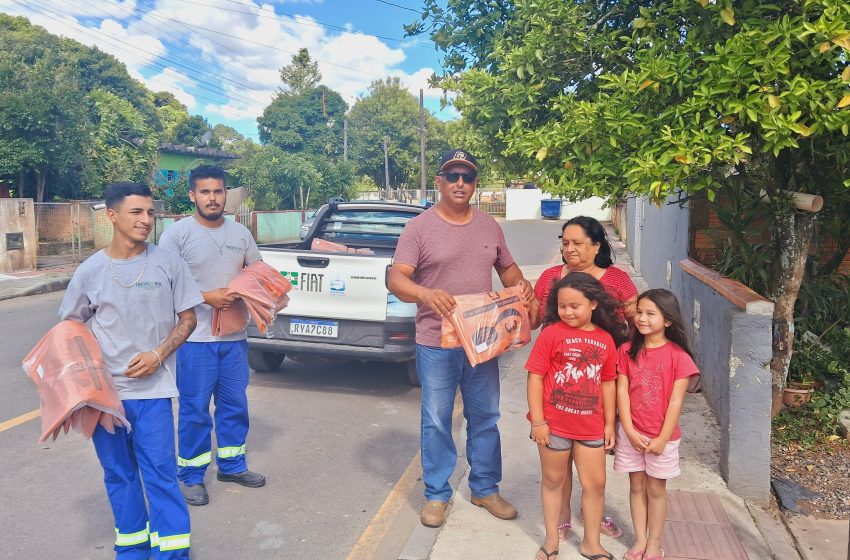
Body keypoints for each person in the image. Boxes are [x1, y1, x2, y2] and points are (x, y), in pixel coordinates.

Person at [387, 148, 535, 528]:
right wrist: (424, 294)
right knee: (436, 419)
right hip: (436, 341)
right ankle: (437, 494)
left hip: (483, 340)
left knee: (485, 416)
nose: (459, 183)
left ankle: (485, 488)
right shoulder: (418, 228)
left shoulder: (489, 226)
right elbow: (397, 279)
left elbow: (509, 270)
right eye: (452, 175)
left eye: (467, 177)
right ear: (439, 181)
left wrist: (524, 287)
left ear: (475, 184)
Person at [59, 182, 202, 559]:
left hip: (152, 393)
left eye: (150, 212)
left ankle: (171, 554)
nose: (146, 220)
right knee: (119, 476)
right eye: (137, 212)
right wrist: (86, 386)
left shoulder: (168, 263)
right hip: (106, 399)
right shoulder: (90, 271)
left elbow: (188, 319)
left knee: (160, 476)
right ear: (112, 216)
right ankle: (133, 551)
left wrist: (158, 354)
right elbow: (69, 331)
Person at [158, 165, 265, 507]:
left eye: (218, 191)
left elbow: (255, 272)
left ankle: (232, 465)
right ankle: (190, 476)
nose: (212, 198)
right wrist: (207, 297)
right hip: (195, 340)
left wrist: (262, 294)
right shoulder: (177, 235)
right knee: (194, 410)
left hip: (233, 338)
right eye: (205, 192)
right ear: (192, 195)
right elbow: (165, 285)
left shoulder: (240, 234)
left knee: (235, 405)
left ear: (225, 194)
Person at [530, 215, 638, 541]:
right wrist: (524, 301)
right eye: (565, 243)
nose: (570, 249)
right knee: (557, 461)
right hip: (558, 384)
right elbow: (534, 320)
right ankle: (561, 514)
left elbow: (638, 320)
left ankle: (593, 514)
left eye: (577, 243)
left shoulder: (616, 279)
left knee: (594, 459)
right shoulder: (551, 277)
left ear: (596, 245)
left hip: (603, 378)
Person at [526, 273, 627, 560]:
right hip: (553, 426)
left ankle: (591, 543)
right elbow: (535, 377)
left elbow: (608, 382)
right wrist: (538, 421)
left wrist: (610, 423)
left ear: (593, 303)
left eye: (575, 306)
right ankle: (551, 541)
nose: (567, 312)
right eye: (562, 306)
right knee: (553, 482)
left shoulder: (606, 340)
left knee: (595, 485)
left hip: (591, 426)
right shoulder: (551, 334)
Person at [615, 290, 699, 560]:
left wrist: (662, 438)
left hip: (663, 437)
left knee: (656, 489)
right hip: (631, 433)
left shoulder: (679, 357)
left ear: (668, 320)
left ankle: (654, 543)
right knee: (636, 485)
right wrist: (628, 430)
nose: (642, 318)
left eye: (651, 313)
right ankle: (640, 540)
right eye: (639, 312)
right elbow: (621, 393)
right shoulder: (626, 351)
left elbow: (676, 402)